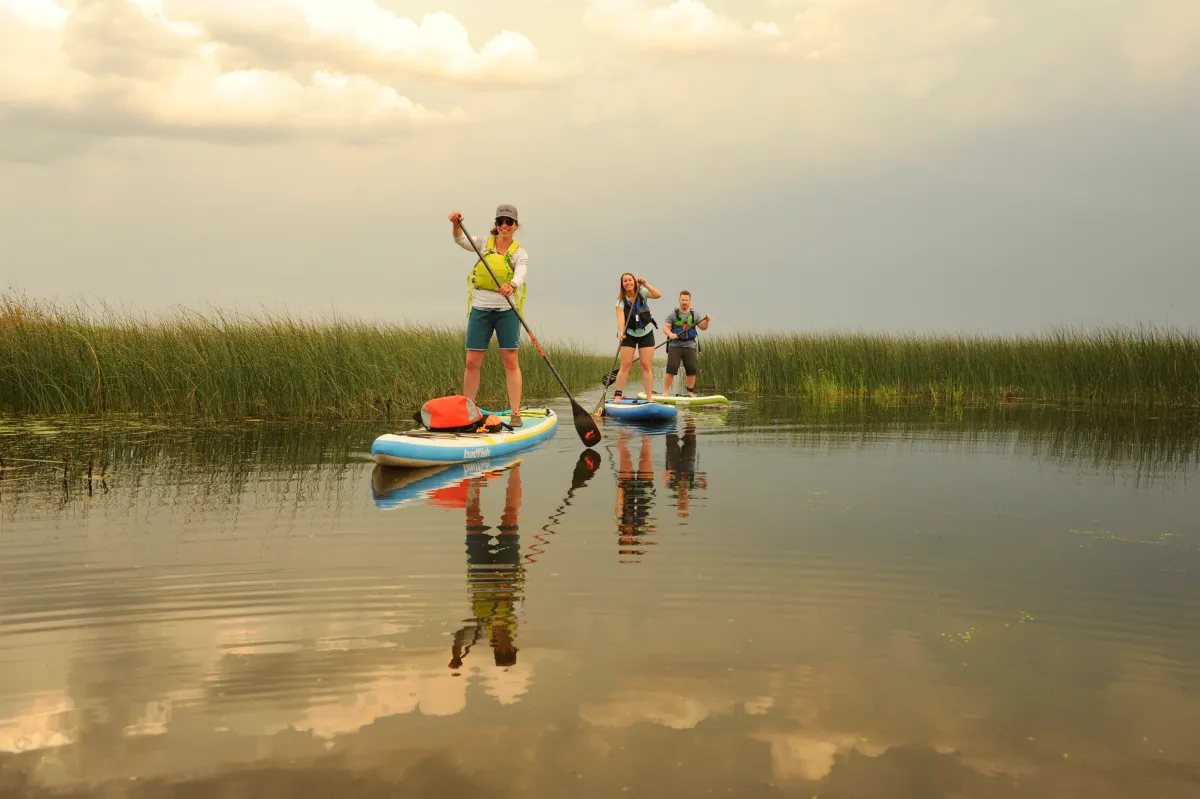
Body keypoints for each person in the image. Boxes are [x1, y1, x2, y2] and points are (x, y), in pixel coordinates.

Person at [449, 205, 528, 426]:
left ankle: (515, 414)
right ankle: (467, 412)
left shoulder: (520, 253)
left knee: (510, 361)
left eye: (509, 222)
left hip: (506, 311)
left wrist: (512, 285)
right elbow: (459, 240)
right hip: (481, 309)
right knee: (472, 361)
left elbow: (521, 272)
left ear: (515, 226)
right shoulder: (484, 243)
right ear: (496, 224)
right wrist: (456, 224)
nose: (504, 225)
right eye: (500, 221)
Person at [612, 272, 663, 402]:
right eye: (625, 281)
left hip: (646, 333)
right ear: (622, 285)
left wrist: (645, 284)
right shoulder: (620, 301)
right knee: (626, 365)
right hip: (629, 334)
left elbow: (658, 295)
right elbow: (620, 319)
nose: (628, 282)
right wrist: (621, 331)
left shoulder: (643, 293)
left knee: (646, 365)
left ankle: (649, 398)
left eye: (630, 280)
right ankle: (617, 396)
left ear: (634, 282)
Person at [661, 289, 710, 397]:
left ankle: (690, 392)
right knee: (671, 368)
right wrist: (670, 334)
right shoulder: (673, 314)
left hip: (690, 346)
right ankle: (665, 392)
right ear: (679, 300)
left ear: (690, 301)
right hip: (675, 346)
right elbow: (665, 327)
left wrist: (706, 321)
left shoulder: (695, 314)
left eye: (686, 300)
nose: (684, 302)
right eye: (682, 300)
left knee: (692, 369)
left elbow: (703, 328)